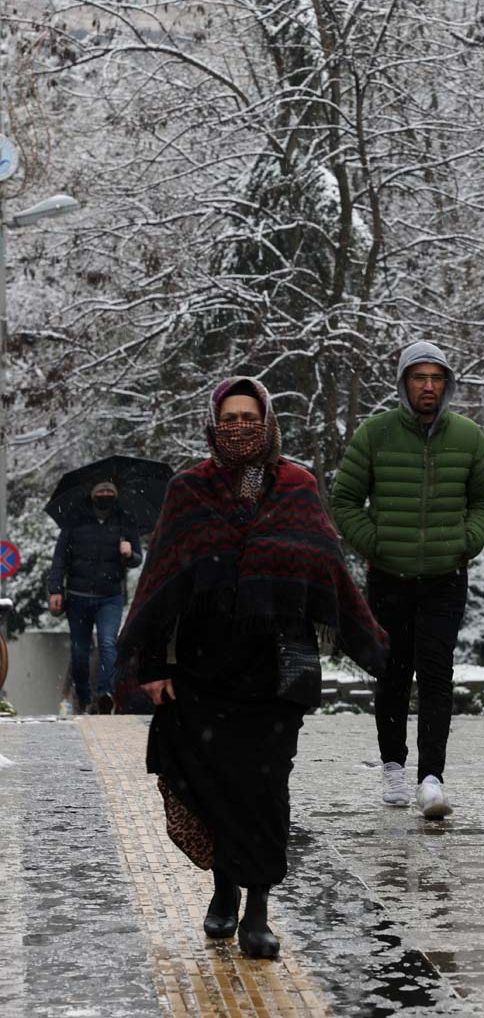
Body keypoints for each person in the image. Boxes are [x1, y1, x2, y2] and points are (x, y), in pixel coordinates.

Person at [116, 377, 388, 959]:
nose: (240, 427)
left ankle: (258, 908)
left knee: (265, 791)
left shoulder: (297, 487)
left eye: (250, 417)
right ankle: (223, 892)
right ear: (213, 425)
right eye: (230, 418)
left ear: (267, 422)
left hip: (276, 669)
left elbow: (329, 572)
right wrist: (150, 663)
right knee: (210, 786)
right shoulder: (188, 489)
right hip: (202, 669)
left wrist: (373, 646)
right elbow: (161, 580)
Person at [331, 340, 484, 818]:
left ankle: (432, 778)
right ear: (403, 383)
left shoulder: (467, 436)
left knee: (437, 674)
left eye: (436, 377)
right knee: (392, 673)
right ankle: (392, 766)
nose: (428, 386)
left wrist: (466, 540)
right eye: (419, 377)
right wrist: (377, 542)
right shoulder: (376, 433)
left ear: (447, 384)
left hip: (446, 576)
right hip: (390, 576)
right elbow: (344, 500)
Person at [48, 480, 142, 714]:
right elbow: (60, 558)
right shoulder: (75, 520)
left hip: (110, 597)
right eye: (101, 490)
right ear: (92, 494)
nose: (105, 494)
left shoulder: (125, 520)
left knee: (108, 643)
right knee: (80, 651)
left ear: (116, 494)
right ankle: (83, 696)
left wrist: (130, 554)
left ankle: (105, 693)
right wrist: (56, 589)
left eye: (110, 490)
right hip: (77, 597)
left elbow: (137, 558)